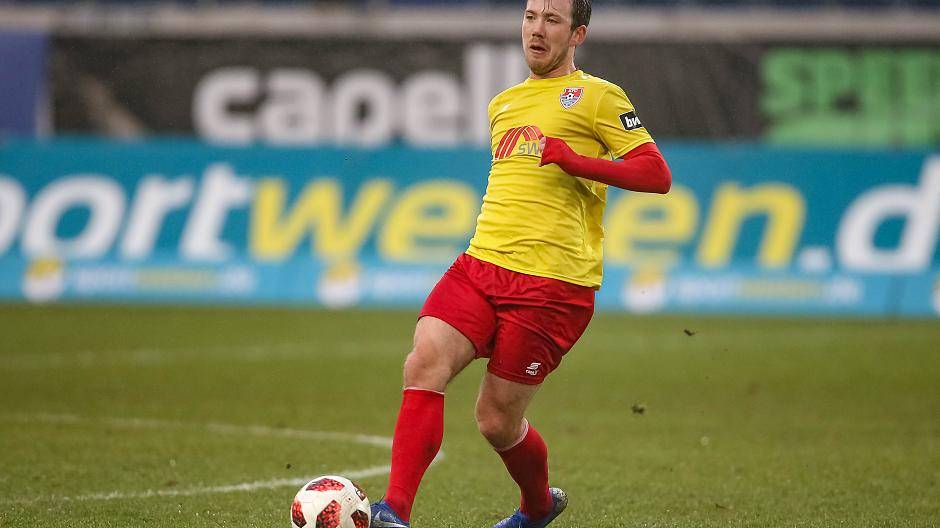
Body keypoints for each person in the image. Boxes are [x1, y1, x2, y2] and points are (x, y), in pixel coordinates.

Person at [370, 0, 671, 526]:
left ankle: (538, 506)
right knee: (424, 362)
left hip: (553, 286)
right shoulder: (503, 104)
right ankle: (393, 512)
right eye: (531, 16)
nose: (537, 28)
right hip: (481, 264)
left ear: (577, 34)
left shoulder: (599, 97)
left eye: (552, 20)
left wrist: (574, 159)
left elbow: (656, 174)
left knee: (496, 421)